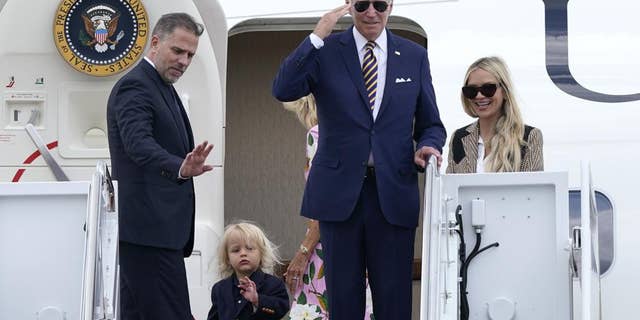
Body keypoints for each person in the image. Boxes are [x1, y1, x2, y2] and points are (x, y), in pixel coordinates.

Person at [272, 1, 447, 318]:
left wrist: (428, 145)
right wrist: (316, 35)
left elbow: (431, 124)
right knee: (344, 304)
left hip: (393, 193)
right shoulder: (325, 50)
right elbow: (283, 88)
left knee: (394, 304)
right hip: (339, 196)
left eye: (379, 4)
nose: (371, 12)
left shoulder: (413, 56)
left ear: (390, 5)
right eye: (363, 3)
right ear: (350, 4)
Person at [106, 13, 214, 319]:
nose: (184, 61)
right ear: (155, 42)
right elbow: (137, 144)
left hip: (154, 233)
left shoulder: (160, 85)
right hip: (147, 231)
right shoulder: (136, 86)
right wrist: (180, 167)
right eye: (178, 51)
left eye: (191, 55)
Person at [282, 95, 374, 319]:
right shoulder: (357, 134)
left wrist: (303, 252)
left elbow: (324, 203)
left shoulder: (318, 135)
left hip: (328, 247)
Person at [446, 56, 543, 173]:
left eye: (488, 88)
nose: (479, 96)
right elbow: (450, 188)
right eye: (471, 90)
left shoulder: (528, 137)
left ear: (505, 92)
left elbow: (533, 188)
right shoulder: (459, 137)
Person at [207, 222, 289, 320]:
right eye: (236, 250)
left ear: (261, 254)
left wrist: (257, 300)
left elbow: (282, 310)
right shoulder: (220, 288)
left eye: (250, 248)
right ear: (227, 258)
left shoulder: (274, 284)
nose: (243, 253)